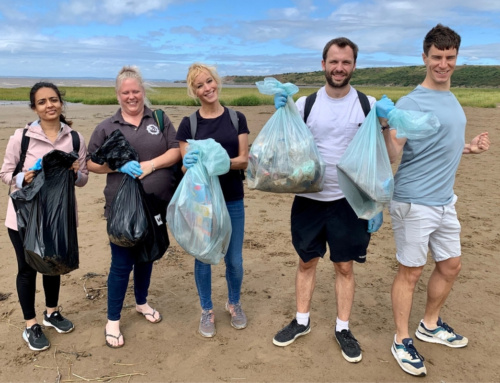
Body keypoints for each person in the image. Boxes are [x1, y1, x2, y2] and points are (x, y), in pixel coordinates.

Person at [379, 24, 490, 377]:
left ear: (457, 58)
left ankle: (429, 324)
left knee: (451, 265)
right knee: (410, 272)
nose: (443, 64)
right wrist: (387, 125)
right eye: (437, 57)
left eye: (450, 58)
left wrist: (469, 147)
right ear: (424, 57)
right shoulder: (411, 102)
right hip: (414, 200)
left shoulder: (452, 98)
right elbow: (394, 154)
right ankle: (401, 338)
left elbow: (443, 142)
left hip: (445, 200)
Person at [271, 37, 387, 363]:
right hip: (309, 198)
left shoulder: (368, 105)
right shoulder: (306, 104)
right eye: (333, 62)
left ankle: (343, 328)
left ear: (353, 66)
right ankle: (302, 320)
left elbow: (381, 157)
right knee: (307, 261)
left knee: (344, 266)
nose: (339, 68)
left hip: (350, 202)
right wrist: (282, 112)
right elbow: (288, 147)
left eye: (346, 62)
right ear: (323, 64)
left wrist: (375, 202)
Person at [87, 66, 181, 348]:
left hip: (157, 204)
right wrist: (115, 164)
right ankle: (113, 320)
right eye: (125, 92)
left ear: (143, 92)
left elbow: (176, 150)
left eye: (136, 91)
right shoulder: (106, 126)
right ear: (118, 95)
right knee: (121, 263)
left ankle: (141, 302)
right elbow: (90, 162)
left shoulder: (160, 119)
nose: (131, 96)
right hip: (122, 209)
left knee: (147, 257)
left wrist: (150, 165)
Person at [0, 82, 89, 351]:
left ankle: (51, 313)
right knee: (27, 269)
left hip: (58, 220)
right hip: (24, 220)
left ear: (61, 103)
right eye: (42, 102)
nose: (49, 105)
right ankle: (31, 325)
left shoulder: (74, 139)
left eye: (53, 100)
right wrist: (22, 178)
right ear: (34, 108)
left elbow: (83, 179)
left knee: (54, 264)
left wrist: (75, 172)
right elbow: (4, 175)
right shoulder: (22, 137)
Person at [176, 63, 249, 338]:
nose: (207, 88)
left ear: (216, 82)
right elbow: (185, 167)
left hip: (232, 199)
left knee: (235, 260)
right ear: (193, 91)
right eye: (199, 85)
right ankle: (206, 310)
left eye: (209, 81)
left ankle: (234, 303)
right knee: (203, 256)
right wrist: (191, 162)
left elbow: (243, 161)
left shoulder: (236, 118)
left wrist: (218, 162)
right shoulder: (189, 124)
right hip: (201, 202)